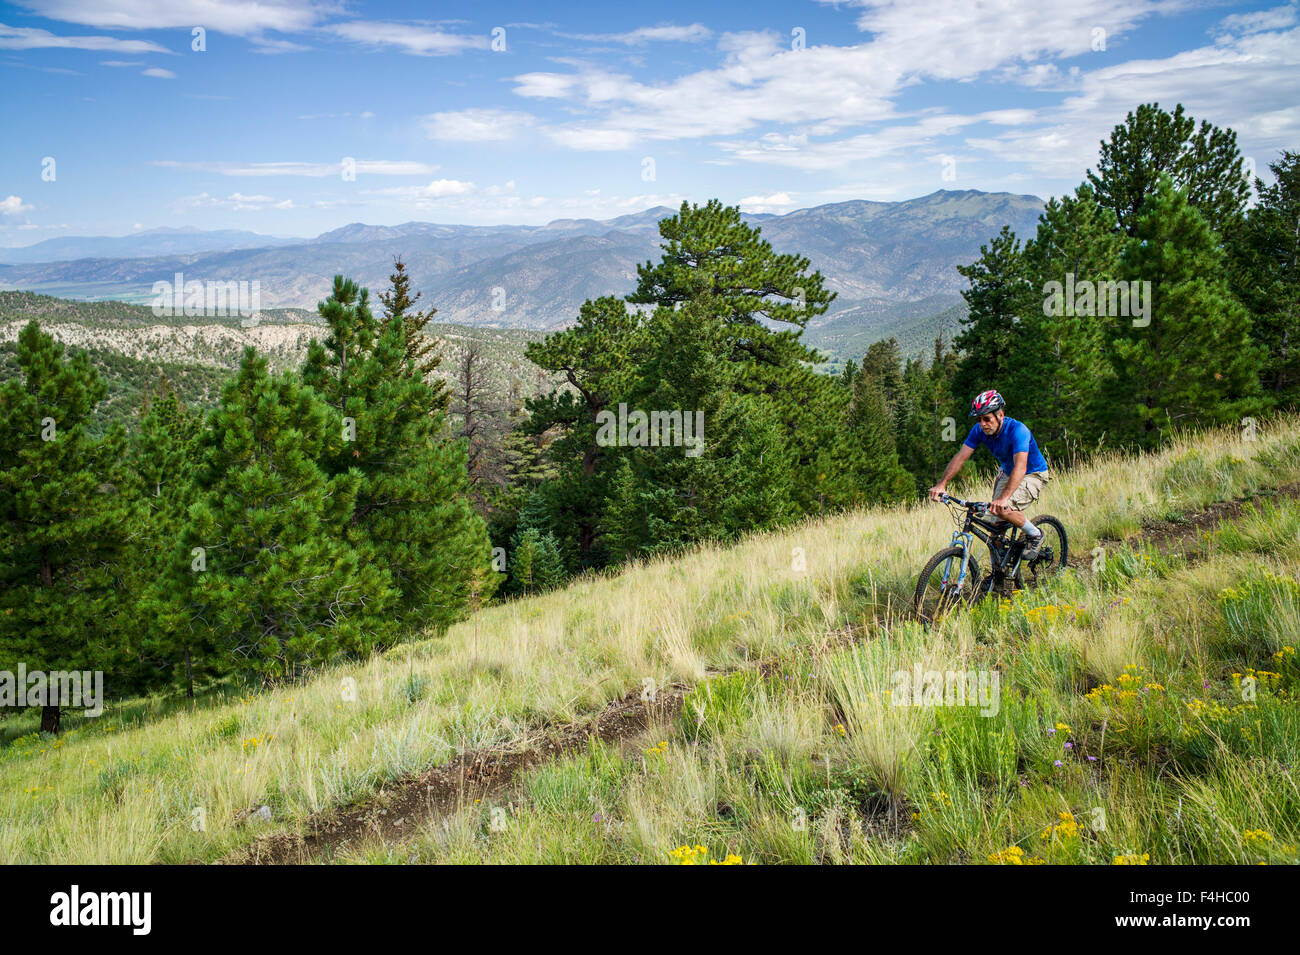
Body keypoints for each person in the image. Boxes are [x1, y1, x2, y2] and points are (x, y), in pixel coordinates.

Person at [927, 390, 1051, 559]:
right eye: (979, 419)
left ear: (1000, 415)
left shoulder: (1018, 430)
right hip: (1008, 471)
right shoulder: (978, 431)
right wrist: (942, 484)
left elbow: (1021, 467)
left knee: (1003, 508)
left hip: (1033, 473)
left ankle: (1035, 534)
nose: (982, 424)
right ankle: (999, 576)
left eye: (987, 418)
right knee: (994, 527)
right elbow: (961, 457)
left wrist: (1003, 498)